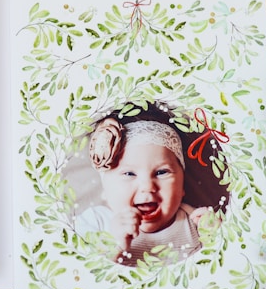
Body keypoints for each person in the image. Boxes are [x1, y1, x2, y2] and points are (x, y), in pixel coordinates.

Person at [75, 110, 215, 266]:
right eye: (129, 174)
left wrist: (217, 240)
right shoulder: (95, 222)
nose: (148, 187)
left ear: (182, 186)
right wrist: (113, 246)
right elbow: (80, 275)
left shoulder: (193, 222)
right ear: (105, 188)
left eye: (162, 172)